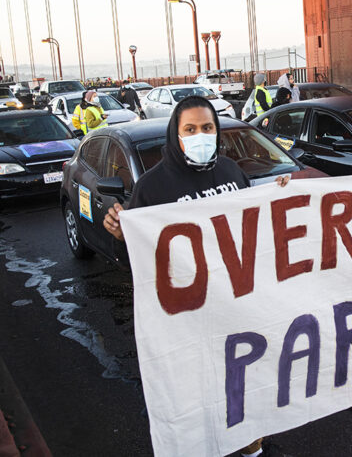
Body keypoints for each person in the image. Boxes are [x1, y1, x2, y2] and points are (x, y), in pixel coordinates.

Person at [103, 96, 289, 457]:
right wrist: (123, 235)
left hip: (236, 310)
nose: (200, 135)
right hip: (189, 321)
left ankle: (252, 450)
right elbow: (137, 264)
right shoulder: (153, 188)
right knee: (201, 400)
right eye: (190, 129)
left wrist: (279, 198)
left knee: (245, 391)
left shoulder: (233, 173)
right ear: (176, 133)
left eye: (207, 128)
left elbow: (253, 233)